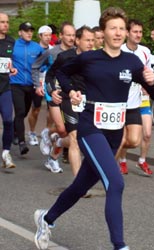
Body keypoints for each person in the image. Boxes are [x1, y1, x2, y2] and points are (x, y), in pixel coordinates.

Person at [33, 7, 154, 250]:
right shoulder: (89, 58)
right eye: (113, 28)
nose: (118, 33)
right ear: (102, 32)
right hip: (90, 127)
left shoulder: (132, 62)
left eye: (121, 29)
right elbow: (60, 71)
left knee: (80, 186)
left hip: (115, 134)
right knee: (116, 183)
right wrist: (69, 89)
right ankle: (119, 245)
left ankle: (46, 219)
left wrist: (153, 82)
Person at [45, 25, 95, 177]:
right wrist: (52, 90)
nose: (91, 43)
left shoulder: (97, 58)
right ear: (77, 40)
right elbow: (50, 75)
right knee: (74, 138)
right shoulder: (65, 57)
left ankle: (58, 143)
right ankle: (78, 183)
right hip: (69, 99)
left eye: (93, 40)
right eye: (87, 40)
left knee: (83, 138)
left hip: (89, 101)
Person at [32, 21, 75, 173]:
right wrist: (38, 85)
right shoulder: (51, 52)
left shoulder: (77, 52)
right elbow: (36, 66)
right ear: (61, 35)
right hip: (53, 91)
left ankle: (51, 151)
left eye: (73, 35)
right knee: (62, 130)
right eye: (68, 35)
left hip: (69, 93)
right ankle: (48, 134)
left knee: (64, 131)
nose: (71, 38)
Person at [118, 19, 153, 176]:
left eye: (140, 32)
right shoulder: (119, 50)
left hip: (141, 99)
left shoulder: (145, 51)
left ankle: (142, 160)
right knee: (125, 136)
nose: (138, 35)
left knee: (146, 134)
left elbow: (148, 73)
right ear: (127, 33)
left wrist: (148, 84)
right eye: (135, 32)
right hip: (123, 102)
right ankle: (122, 160)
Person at [10, 21, 44, 155]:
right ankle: (21, 142)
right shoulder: (13, 45)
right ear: (20, 32)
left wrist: (44, 69)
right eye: (26, 31)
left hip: (30, 85)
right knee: (20, 112)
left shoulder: (36, 47)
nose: (29, 33)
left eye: (31, 31)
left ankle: (13, 131)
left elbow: (47, 61)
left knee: (23, 113)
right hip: (15, 83)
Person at [27, 25, 53, 146]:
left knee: (52, 109)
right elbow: (33, 66)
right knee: (36, 109)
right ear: (40, 36)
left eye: (49, 35)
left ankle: (46, 132)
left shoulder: (52, 49)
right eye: (45, 35)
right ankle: (32, 132)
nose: (48, 38)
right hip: (37, 82)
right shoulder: (34, 49)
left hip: (49, 82)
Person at [0, 12, 18, 168]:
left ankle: (6, 152)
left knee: (7, 120)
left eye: (7, 22)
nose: (5, 24)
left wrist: (12, 69)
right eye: (2, 22)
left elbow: (9, 62)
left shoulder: (11, 41)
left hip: (5, 87)